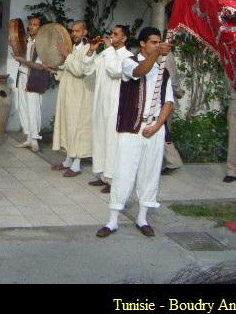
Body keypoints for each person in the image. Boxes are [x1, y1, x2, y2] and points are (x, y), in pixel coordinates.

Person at [97, 27, 174, 239]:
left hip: (154, 129)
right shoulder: (129, 61)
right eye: (153, 42)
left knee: (149, 174)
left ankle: (142, 218)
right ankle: (112, 221)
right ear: (142, 43)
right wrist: (158, 55)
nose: (157, 46)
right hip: (132, 127)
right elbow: (139, 72)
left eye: (159, 43)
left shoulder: (163, 71)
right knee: (123, 172)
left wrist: (158, 126)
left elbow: (168, 102)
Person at [82, 25, 134, 193]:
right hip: (100, 101)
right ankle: (101, 174)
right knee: (100, 137)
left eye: (115, 34)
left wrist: (110, 49)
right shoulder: (105, 53)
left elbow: (115, 71)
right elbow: (87, 69)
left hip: (115, 104)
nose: (111, 36)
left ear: (124, 38)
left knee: (112, 141)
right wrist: (92, 50)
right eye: (111, 33)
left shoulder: (128, 56)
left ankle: (112, 180)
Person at [51, 21, 95, 177]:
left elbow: (79, 70)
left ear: (84, 32)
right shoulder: (74, 48)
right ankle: (68, 159)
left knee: (77, 127)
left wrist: (66, 55)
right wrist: (56, 66)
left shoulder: (89, 49)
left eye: (77, 31)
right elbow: (68, 67)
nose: (74, 34)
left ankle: (77, 164)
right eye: (72, 31)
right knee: (67, 125)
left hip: (80, 95)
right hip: (68, 92)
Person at [13, 16, 51, 153]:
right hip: (22, 76)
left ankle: (35, 140)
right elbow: (22, 58)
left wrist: (22, 60)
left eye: (35, 25)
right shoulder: (26, 41)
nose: (32, 27)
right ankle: (28, 138)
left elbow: (40, 66)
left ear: (41, 28)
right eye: (30, 24)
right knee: (23, 108)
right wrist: (14, 47)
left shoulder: (43, 44)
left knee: (33, 108)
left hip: (34, 79)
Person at [161, 52, 185, 175]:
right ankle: (168, 162)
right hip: (157, 101)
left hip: (165, 101)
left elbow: (172, 79)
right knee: (163, 132)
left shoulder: (165, 55)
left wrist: (178, 92)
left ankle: (173, 161)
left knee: (163, 132)